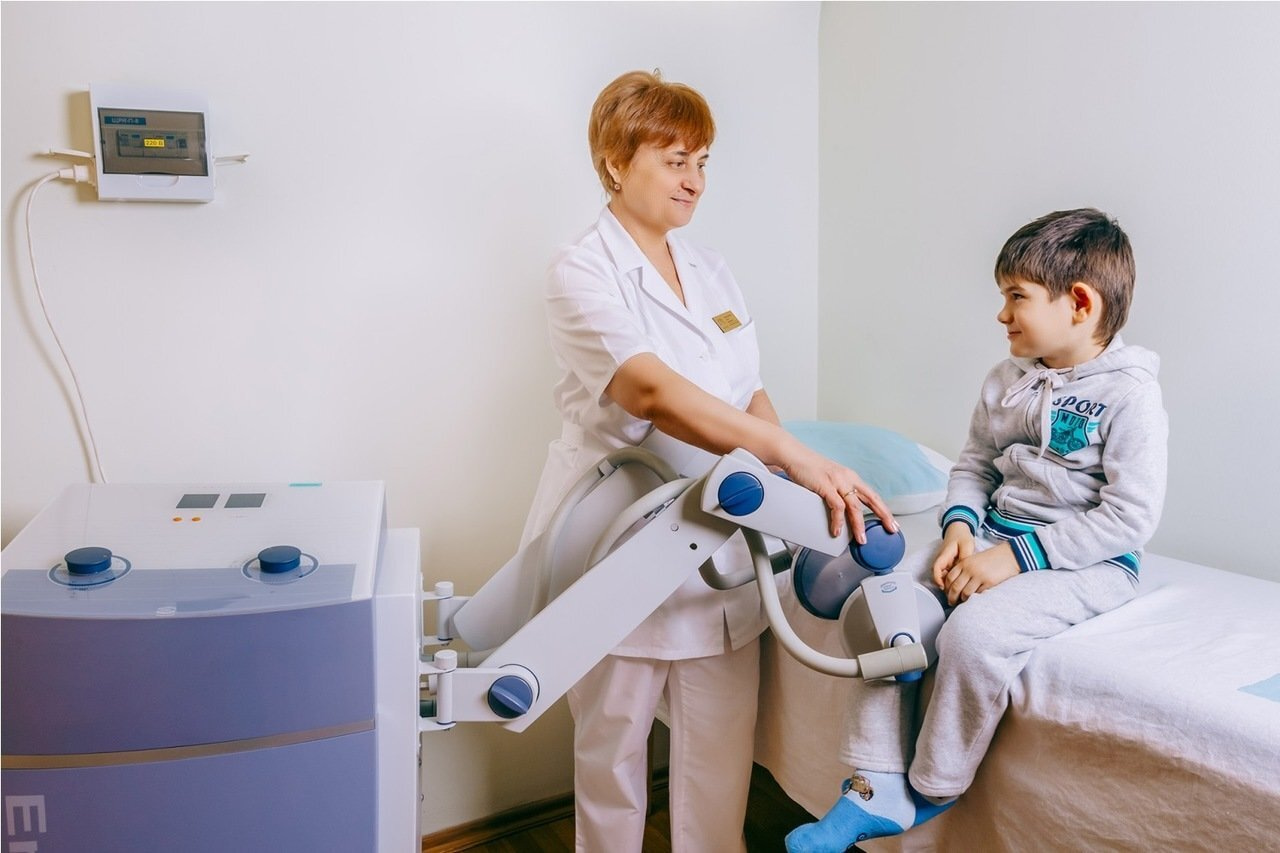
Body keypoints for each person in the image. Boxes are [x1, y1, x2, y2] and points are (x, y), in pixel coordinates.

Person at [519, 69, 898, 853]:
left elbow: (746, 390)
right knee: (613, 762)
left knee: (719, 767)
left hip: (723, 550)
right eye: (674, 160)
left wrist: (797, 483)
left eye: (701, 162)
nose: (693, 180)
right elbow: (650, 389)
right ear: (616, 162)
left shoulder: (712, 270)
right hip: (617, 547)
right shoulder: (580, 268)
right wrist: (791, 453)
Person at [785, 208, 1169, 851]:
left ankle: (935, 785)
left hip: (1090, 562)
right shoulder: (1005, 381)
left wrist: (1015, 559)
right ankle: (874, 785)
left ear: (1080, 303)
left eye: (1017, 297)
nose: (1002, 314)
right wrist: (961, 529)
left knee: (972, 635)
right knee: (885, 604)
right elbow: (973, 467)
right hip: (991, 537)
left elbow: (1130, 517)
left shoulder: (1131, 396)